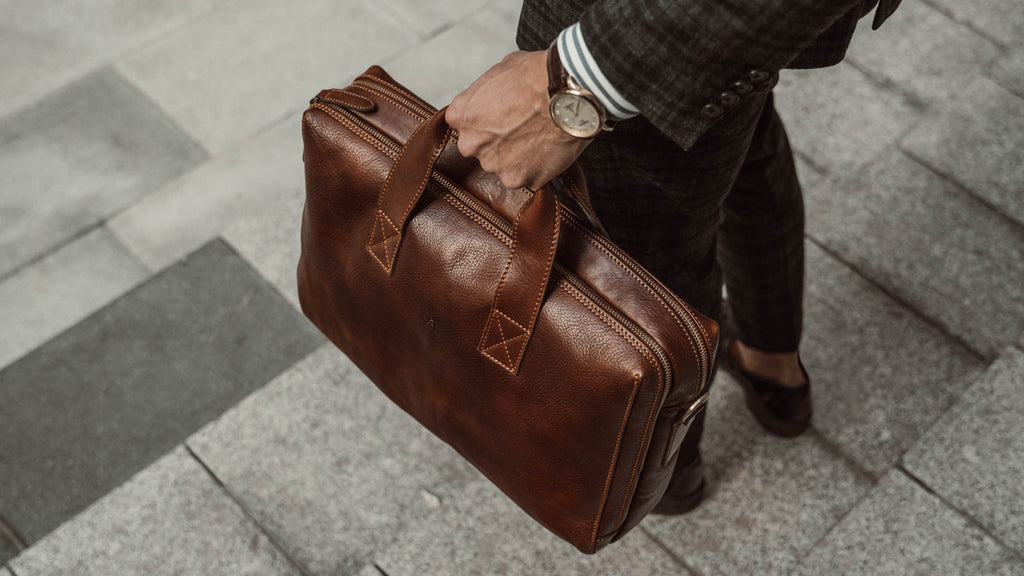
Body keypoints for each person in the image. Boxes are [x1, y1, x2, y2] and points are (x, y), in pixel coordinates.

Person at [445, 0, 902, 513]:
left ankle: (663, 473)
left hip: (649, 24)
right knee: (739, 137)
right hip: (720, 23)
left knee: (646, 260)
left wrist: (581, 79)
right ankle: (773, 365)